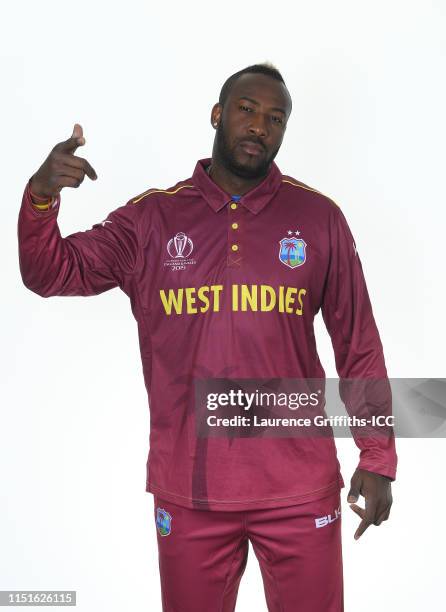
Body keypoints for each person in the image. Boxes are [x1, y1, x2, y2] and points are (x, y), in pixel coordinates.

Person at [18, 63, 397, 612]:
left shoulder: (319, 219)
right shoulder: (151, 220)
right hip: (189, 491)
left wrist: (379, 455)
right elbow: (49, 273)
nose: (260, 126)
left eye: (276, 118)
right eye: (247, 110)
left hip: (298, 488)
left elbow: (357, 342)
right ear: (217, 115)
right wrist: (41, 196)